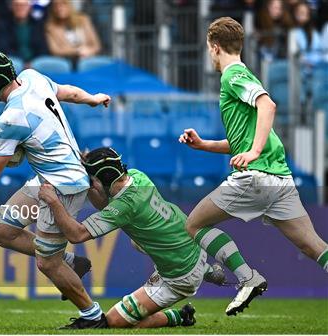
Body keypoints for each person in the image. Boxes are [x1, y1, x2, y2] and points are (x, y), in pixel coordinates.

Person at [178, 16, 328, 316]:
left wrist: (254, 152)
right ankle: (248, 278)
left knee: (194, 224)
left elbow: (267, 105)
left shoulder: (232, 75)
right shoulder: (243, 73)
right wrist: (204, 145)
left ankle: (248, 277)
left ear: (214, 46)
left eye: (209, 49)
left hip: (255, 177)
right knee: (315, 247)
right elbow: (242, 139)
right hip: (280, 180)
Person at [0, 50, 111, 329]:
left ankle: (92, 315)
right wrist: (92, 99)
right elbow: (68, 92)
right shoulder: (32, 77)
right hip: (49, 177)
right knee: (1, 231)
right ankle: (72, 262)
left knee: (48, 263)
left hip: (62, 186)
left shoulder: (10, 120)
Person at [37, 147, 227, 329]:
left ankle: (180, 316)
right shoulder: (137, 175)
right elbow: (105, 204)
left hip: (179, 276)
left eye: (92, 181)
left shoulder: (124, 207)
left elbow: (76, 235)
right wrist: (92, 178)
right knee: (138, 240)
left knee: (113, 322)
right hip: (190, 243)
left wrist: (53, 201)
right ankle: (205, 269)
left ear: (101, 180)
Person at [45, 0, 101, 67]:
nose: (59, 8)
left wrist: (89, 51)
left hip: (87, 60)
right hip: (67, 62)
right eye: (56, 5)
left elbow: (96, 45)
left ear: (70, 5)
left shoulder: (84, 20)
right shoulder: (50, 27)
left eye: (63, 4)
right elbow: (55, 50)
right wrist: (78, 51)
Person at [291, 1, 322, 65]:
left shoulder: (314, 33)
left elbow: (319, 52)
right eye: (300, 13)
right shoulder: (292, 32)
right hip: (299, 68)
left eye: (305, 13)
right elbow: (293, 53)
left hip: (315, 67)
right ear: (295, 14)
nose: (302, 16)